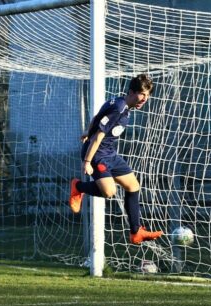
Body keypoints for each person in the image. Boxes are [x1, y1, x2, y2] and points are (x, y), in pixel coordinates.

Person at [69, 74, 163, 245]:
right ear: (131, 91)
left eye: (148, 95)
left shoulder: (120, 104)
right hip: (97, 155)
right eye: (142, 94)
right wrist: (87, 162)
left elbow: (96, 118)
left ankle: (136, 232)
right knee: (109, 192)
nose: (144, 99)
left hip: (110, 154)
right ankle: (78, 186)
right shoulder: (118, 109)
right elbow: (98, 137)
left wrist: (86, 132)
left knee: (133, 186)